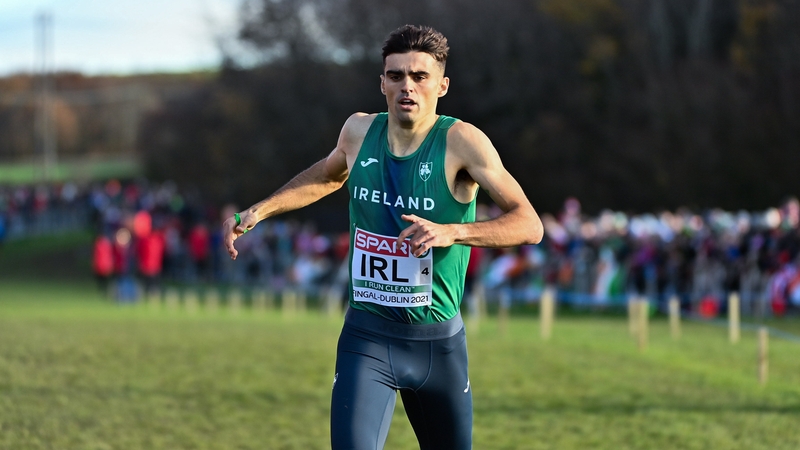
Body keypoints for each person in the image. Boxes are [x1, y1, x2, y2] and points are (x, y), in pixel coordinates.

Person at [223, 24, 543, 450]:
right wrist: (259, 211)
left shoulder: (462, 142)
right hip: (367, 338)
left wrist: (453, 232)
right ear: (382, 83)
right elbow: (326, 176)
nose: (406, 86)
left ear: (442, 85)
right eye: (396, 76)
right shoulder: (358, 132)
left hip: (439, 346)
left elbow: (529, 224)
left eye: (419, 76)